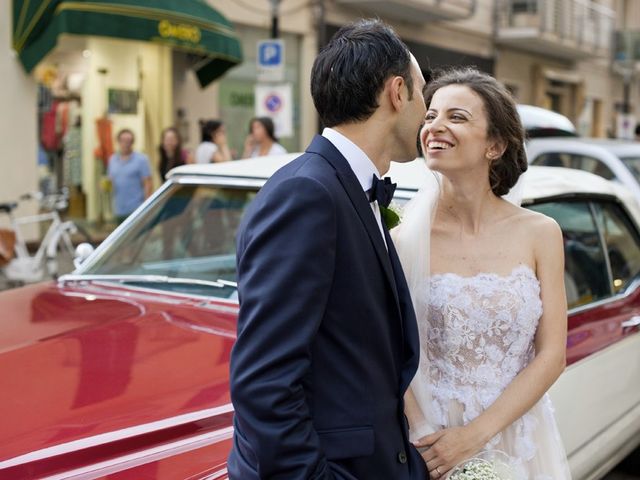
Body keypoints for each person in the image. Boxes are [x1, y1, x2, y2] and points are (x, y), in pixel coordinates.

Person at [228, 19, 429, 480]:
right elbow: (264, 380)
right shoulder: (308, 194)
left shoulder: (350, 187)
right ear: (397, 92)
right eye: (422, 93)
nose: (425, 110)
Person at [393, 67, 571, 479]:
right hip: (429, 445)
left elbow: (551, 355)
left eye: (456, 117)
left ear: (495, 145)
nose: (435, 126)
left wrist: (476, 435)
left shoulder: (540, 233)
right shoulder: (402, 240)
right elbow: (388, 353)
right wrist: (428, 440)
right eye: (431, 115)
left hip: (517, 436)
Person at [107, 129, 152, 224]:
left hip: (136, 209)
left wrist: (147, 206)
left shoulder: (141, 159)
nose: (126, 144)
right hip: (119, 208)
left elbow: (147, 183)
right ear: (118, 142)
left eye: (129, 141)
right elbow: (110, 180)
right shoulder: (112, 160)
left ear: (132, 142)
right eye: (123, 141)